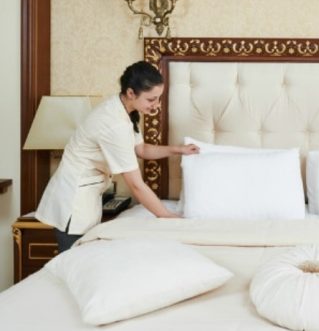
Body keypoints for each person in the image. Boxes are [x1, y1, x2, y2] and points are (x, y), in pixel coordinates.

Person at [35, 61, 199, 252]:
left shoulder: (122, 110)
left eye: (158, 99)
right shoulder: (114, 124)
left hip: (86, 198)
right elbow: (136, 185)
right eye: (151, 99)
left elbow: (142, 150)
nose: (157, 105)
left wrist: (178, 150)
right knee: (73, 266)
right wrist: (167, 216)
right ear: (131, 93)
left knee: (82, 265)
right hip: (73, 203)